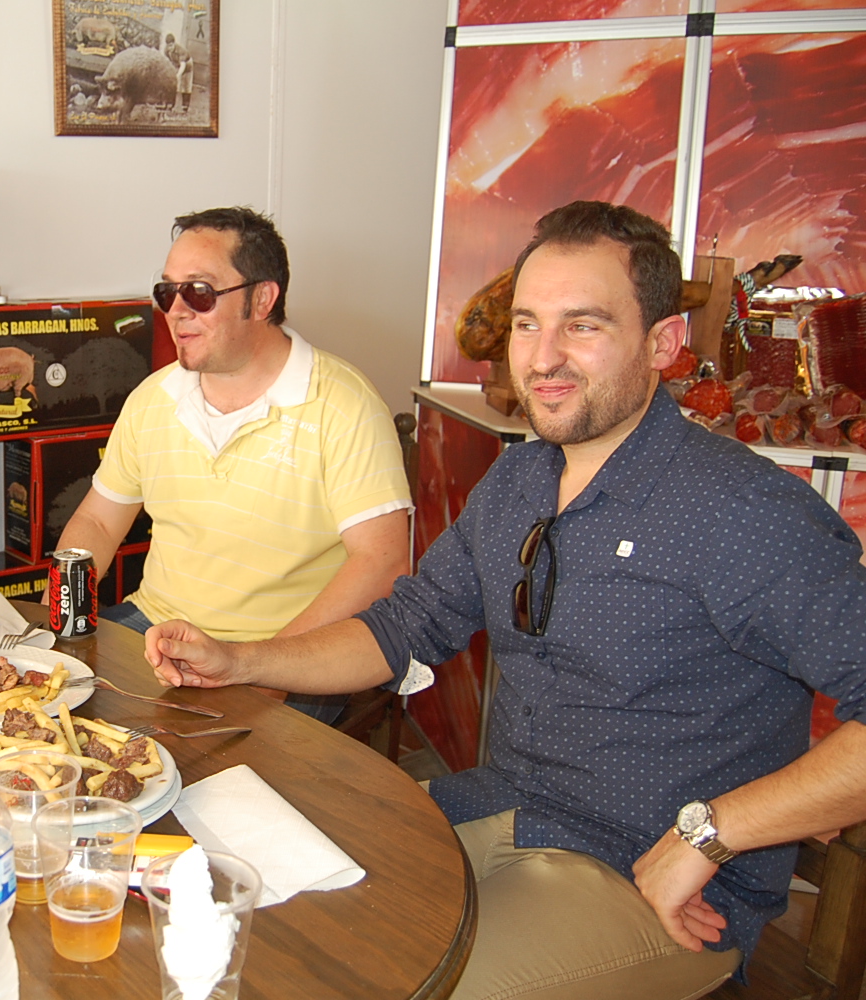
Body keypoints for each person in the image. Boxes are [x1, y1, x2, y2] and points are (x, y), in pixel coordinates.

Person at [142, 201, 866, 999]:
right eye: (527, 325)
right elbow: (406, 627)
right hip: (497, 813)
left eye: (583, 326)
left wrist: (710, 836)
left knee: (388, 986)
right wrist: (240, 659)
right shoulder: (522, 477)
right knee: (250, 913)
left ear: (663, 343)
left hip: (653, 877)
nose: (545, 357)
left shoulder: (740, 511)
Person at [51, 206, 412, 723]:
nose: (175, 311)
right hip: (155, 629)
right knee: (42, 736)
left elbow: (381, 565)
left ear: (263, 298)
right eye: (166, 293)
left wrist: (255, 667)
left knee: (200, 788)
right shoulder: (153, 398)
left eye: (198, 292)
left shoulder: (345, 405)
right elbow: (98, 521)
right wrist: (67, 615)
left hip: (286, 655)